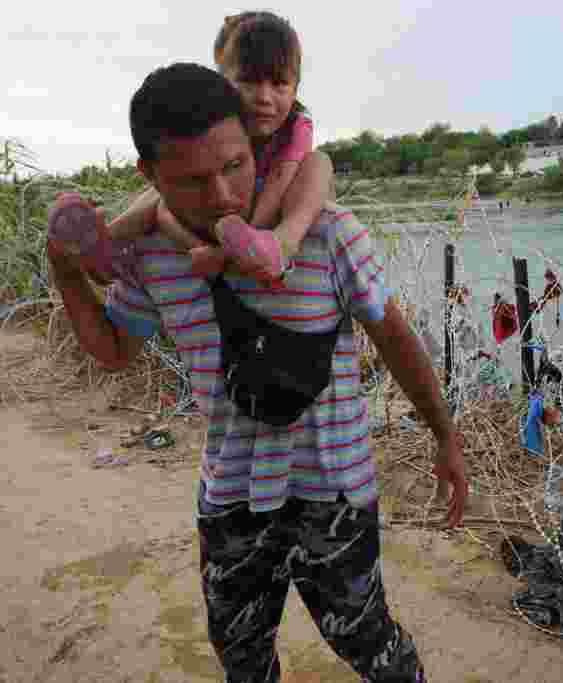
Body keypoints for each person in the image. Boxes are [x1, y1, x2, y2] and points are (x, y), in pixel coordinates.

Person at [46, 62, 468, 683]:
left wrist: (445, 436)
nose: (221, 195)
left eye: (234, 166)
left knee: (370, 645)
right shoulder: (153, 258)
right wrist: (64, 273)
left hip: (335, 492)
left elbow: (397, 338)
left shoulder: (326, 234)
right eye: (191, 181)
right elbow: (112, 351)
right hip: (231, 500)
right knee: (241, 656)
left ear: (253, 144)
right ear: (149, 177)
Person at [49, 11, 332, 287]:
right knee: (163, 195)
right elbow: (167, 203)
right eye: (249, 82)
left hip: (272, 205)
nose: (264, 98)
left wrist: (252, 235)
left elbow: (281, 180)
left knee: (319, 164)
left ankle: (283, 242)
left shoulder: (296, 125)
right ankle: (105, 247)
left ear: (295, 88)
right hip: (218, 225)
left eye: (279, 84)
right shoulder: (224, 124)